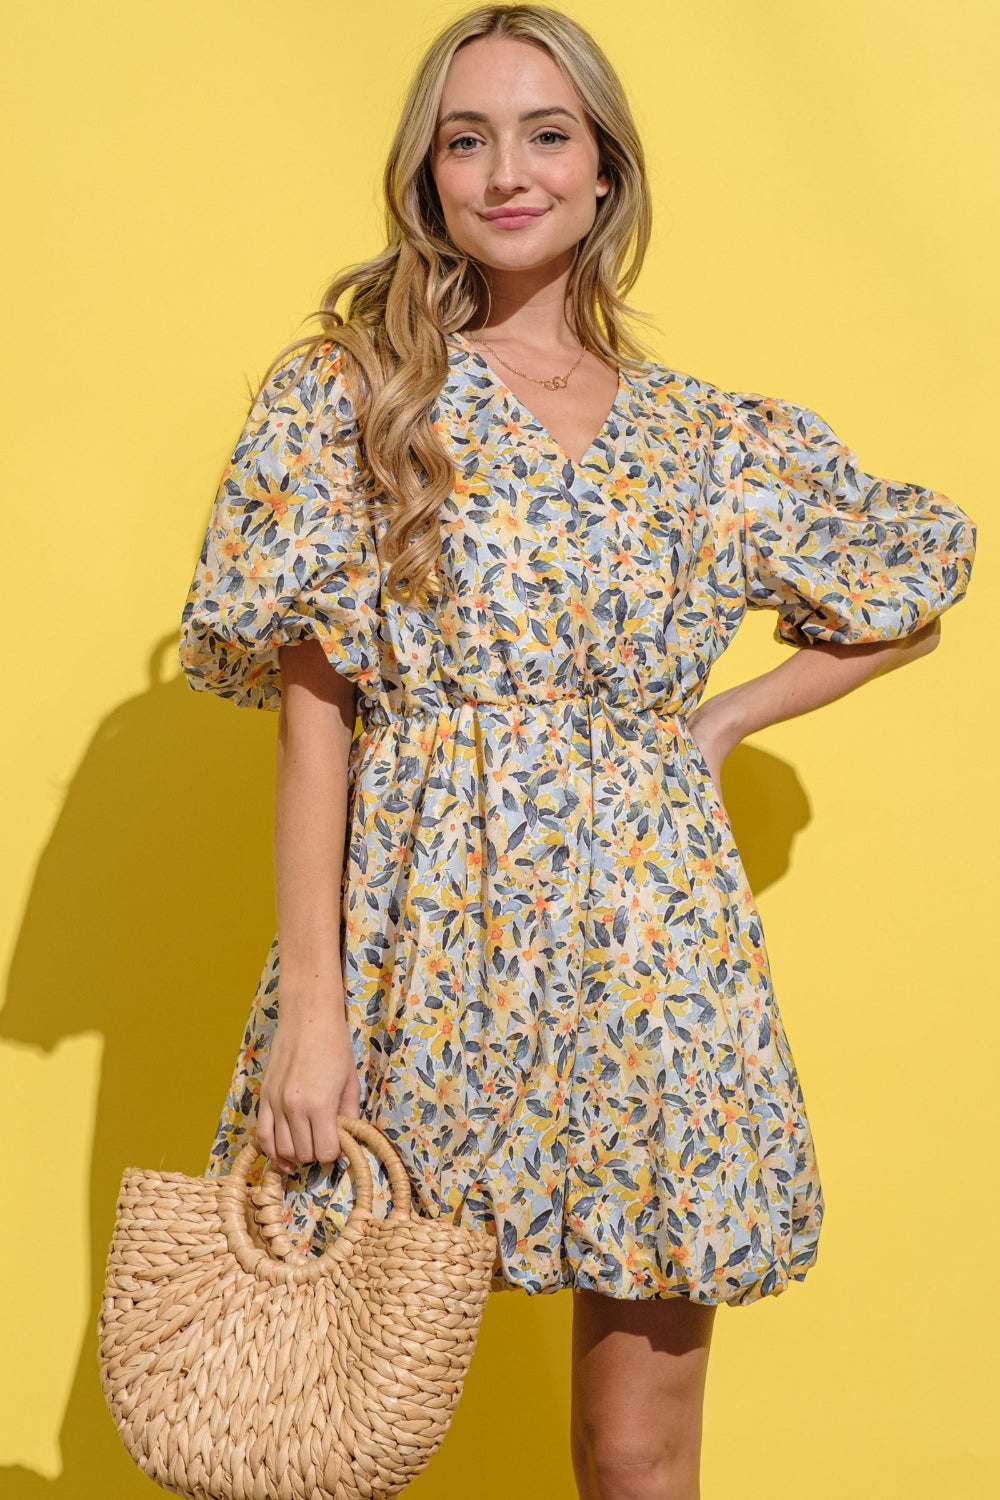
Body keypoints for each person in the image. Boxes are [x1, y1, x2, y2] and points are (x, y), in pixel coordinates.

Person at [177, 5, 977, 1497]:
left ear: (607, 170)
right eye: (464, 139)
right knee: (324, 1425)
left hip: (652, 954)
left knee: (639, 1451)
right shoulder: (349, 396)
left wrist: (726, 717)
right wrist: (313, 1013)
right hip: (421, 937)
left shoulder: (707, 439)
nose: (506, 171)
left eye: (547, 133)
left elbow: (909, 583)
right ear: (426, 179)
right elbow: (312, 722)